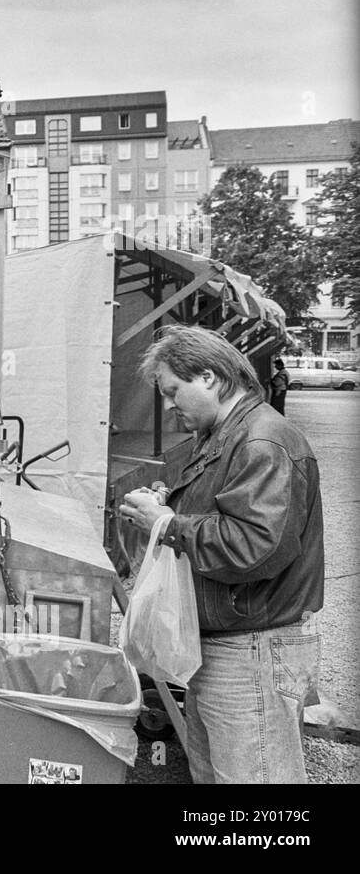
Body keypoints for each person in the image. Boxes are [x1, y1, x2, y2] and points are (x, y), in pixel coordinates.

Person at [118, 325, 323, 784]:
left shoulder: (261, 441)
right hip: (229, 640)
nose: (169, 406)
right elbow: (227, 513)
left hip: (250, 646)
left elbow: (252, 547)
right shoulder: (226, 434)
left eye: (173, 391)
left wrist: (167, 523)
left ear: (209, 377)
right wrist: (170, 504)